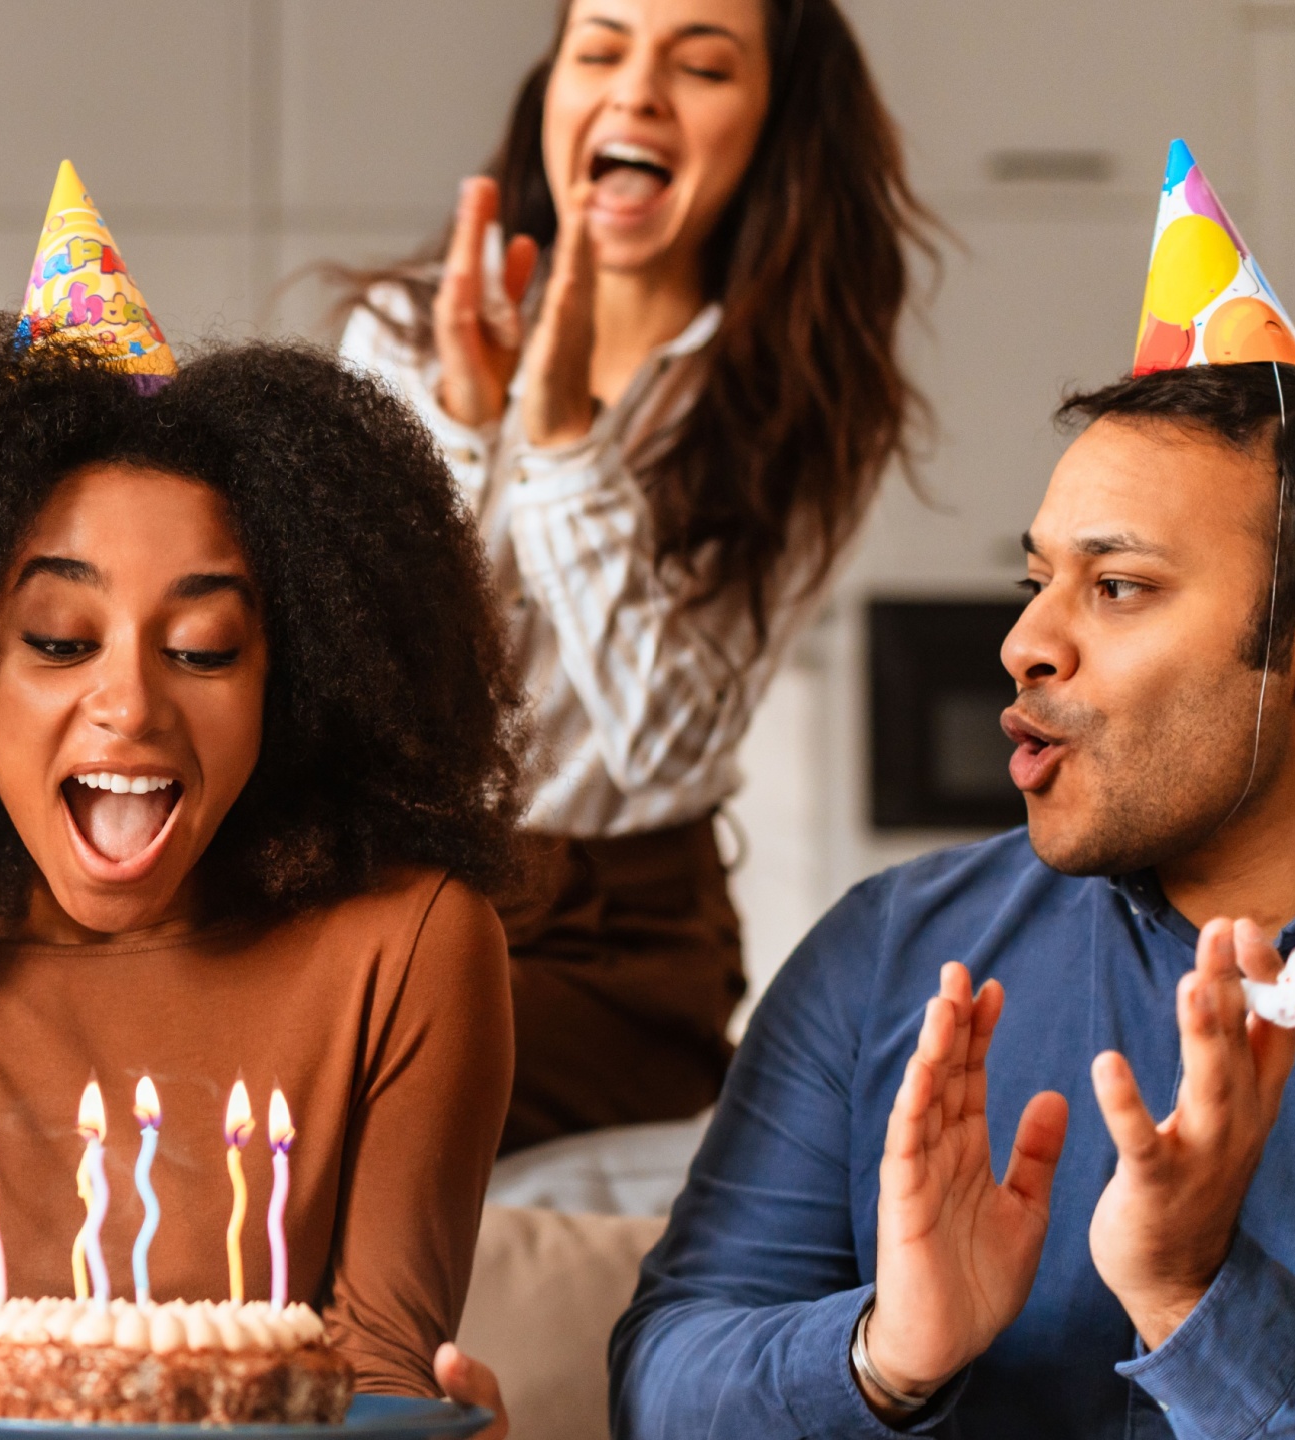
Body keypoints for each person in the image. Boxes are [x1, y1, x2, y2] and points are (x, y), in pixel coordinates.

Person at [0, 170, 522, 1440]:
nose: (130, 706)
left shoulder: (411, 948)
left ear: (295, 677)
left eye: (203, 648)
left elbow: (376, 1383)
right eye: (56, 639)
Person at [607, 353, 1295, 1432]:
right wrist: (883, 1357)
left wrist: (1195, 1299)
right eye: (1036, 583)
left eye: (1117, 588)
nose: (1023, 644)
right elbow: (657, 1387)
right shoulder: (893, 951)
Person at [335, 0, 935, 1149]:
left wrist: (562, 448)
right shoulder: (404, 336)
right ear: (551, 93)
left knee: (360, 1090)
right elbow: (350, 676)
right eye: (601, 49)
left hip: (613, 937)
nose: (637, 90)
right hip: (377, 891)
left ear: (777, 124)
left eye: (702, 65)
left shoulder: (803, 409)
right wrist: (460, 434)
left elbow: (664, 742)